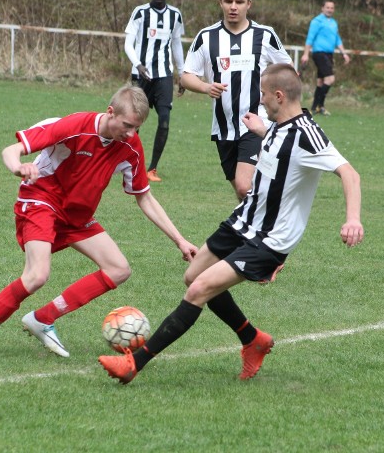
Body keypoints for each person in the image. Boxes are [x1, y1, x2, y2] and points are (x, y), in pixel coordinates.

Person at [99, 63, 364, 384]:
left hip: (269, 240)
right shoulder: (279, 124)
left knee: (199, 290)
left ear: (280, 96)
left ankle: (134, 365)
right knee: (192, 276)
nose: (261, 100)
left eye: (264, 95)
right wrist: (262, 129)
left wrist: (352, 219)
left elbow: (349, 173)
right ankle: (253, 339)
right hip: (242, 223)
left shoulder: (309, 135)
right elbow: (282, 144)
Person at [0, 86, 197, 359]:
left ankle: (42, 318)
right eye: (127, 125)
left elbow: (145, 198)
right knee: (37, 275)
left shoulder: (130, 146)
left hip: (77, 216)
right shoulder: (74, 126)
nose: (130, 133)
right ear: (110, 112)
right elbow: (12, 150)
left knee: (118, 269)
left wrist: (180, 240)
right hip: (41, 201)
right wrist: (18, 167)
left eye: (136, 128)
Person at [181, 0, 292, 201]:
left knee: (244, 186)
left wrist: (274, 96)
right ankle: (256, 229)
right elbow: (185, 76)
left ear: (249, 4)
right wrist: (205, 87)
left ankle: (265, 222)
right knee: (244, 194)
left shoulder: (265, 35)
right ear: (220, 2)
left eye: (239, 2)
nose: (233, 7)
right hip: (223, 127)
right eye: (228, 1)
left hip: (256, 121)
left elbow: (289, 71)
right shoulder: (206, 37)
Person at [124, 0, 186, 183]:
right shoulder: (140, 13)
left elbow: (176, 44)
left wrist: (182, 73)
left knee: (165, 122)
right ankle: (128, 162)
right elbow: (128, 43)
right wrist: (138, 65)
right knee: (133, 122)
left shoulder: (175, 15)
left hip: (164, 77)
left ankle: (152, 169)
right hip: (141, 75)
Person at [300, 0, 351, 116]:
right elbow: (310, 38)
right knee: (330, 79)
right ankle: (320, 105)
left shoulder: (333, 23)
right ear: (322, 8)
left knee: (321, 81)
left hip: (329, 54)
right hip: (319, 53)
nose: (330, 10)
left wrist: (344, 53)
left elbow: (337, 39)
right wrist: (306, 53)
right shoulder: (316, 21)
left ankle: (314, 107)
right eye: (327, 7)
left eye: (332, 8)